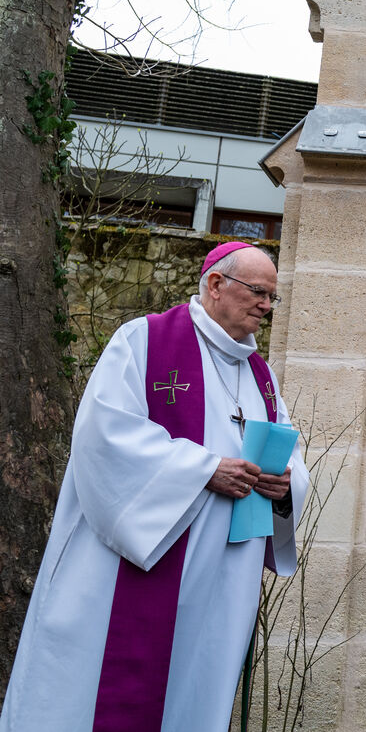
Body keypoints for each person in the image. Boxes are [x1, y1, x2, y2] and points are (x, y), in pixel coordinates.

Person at [0, 241, 309, 732]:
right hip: (144, 557)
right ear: (215, 284)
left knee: (195, 685)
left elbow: (289, 450)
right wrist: (205, 470)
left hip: (224, 575)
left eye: (273, 296)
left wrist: (286, 483)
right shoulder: (144, 341)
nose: (267, 306)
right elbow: (105, 437)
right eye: (258, 292)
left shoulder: (261, 376)